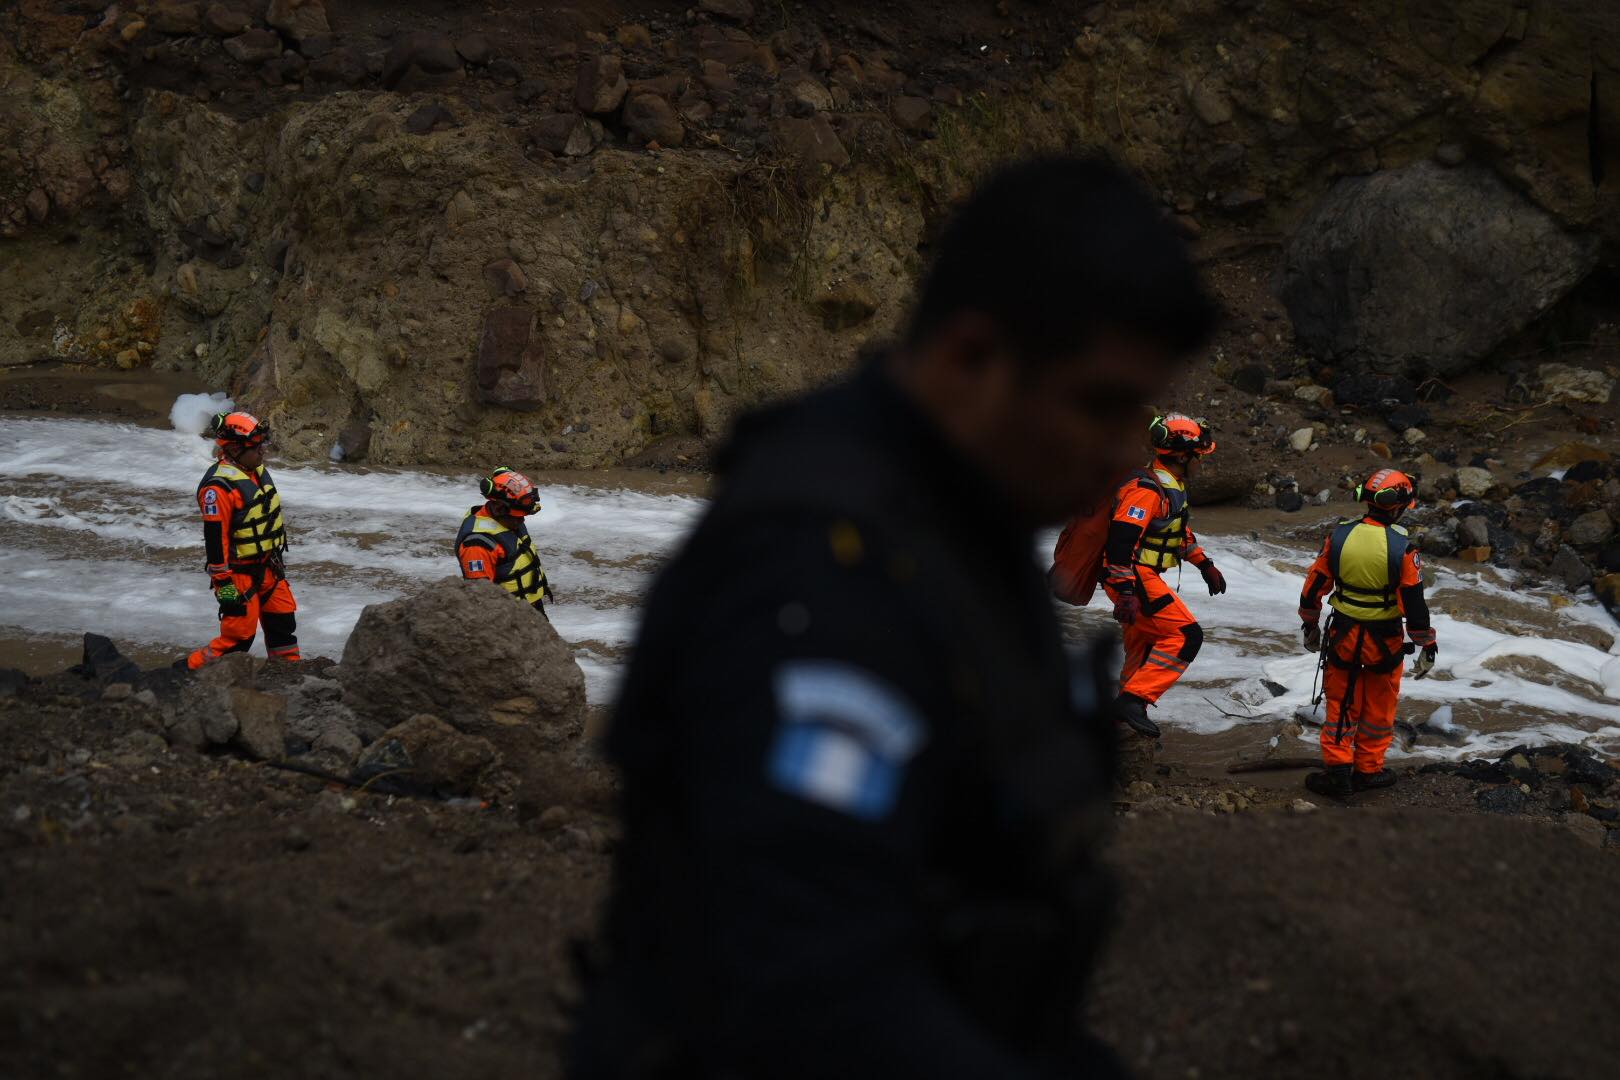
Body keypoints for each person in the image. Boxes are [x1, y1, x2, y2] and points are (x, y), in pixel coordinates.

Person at [570, 156, 1216, 1079]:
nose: (1122, 459)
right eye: (1100, 408)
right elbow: (796, 978)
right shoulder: (817, 564)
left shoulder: (953, 518)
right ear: (968, 357)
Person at [1297, 468, 1436, 797]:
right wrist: (1426, 643)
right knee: (1378, 709)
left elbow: (1313, 586)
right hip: (1384, 643)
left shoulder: (1339, 537)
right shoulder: (1403, 548)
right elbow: (1414, 605)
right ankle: (1368, 770)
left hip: (1342, 638)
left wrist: (1309, 623)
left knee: (1341, 705)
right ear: (1398, 507)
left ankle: (1338, 772)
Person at [1101, 413, 1226, 738]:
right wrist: (1126, 591)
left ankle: (1118, 730)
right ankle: (1132, 702)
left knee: (1144, 647)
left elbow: (1173, 533)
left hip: (1137, 576)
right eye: (1199, 456)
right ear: (1183, 455)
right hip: (1131, 576)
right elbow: (1119, 543)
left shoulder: (1169, 486)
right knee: (1186, 636)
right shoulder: (1146, 490)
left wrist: (1204, 563)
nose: (1201, 463)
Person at [186, 410, 300, 669]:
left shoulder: (254, 471)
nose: (263, 451)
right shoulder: (218, 489)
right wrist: (225, 590)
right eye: (256, 446)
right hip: (237, 576)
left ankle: (290, 676)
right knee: (238, 639)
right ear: (235, 449)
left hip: (269, 567)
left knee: (283, 625)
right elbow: (216, 545)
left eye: (263, 444)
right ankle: (188, 673)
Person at [455, 466, 553, 612]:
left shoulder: (507, 521)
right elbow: (480, 599)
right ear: (499, 508)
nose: (522, 521)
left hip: (530, 611)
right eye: (518, 517)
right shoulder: (477, 546)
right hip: (508, 619)